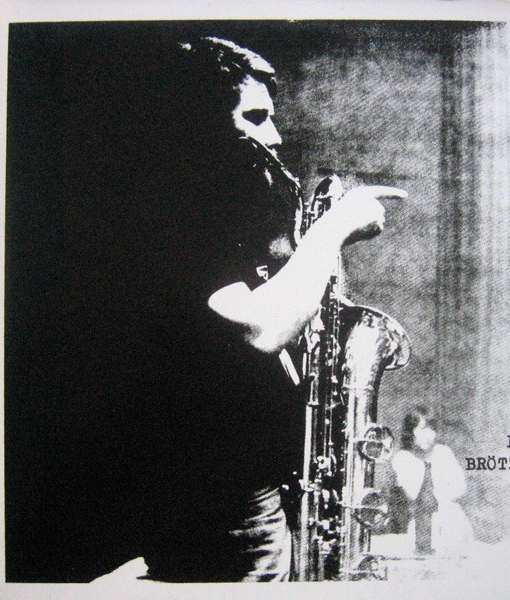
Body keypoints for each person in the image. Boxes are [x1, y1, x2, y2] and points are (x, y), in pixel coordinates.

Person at [118, 36, 408, 583]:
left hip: (247, 491)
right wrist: (332, 230)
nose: (273, 137)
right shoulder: (177, 212)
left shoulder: (197, 208)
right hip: (224, 503)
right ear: (198, 127)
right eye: (254, 118)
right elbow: (259, 329)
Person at [391, 405, 473, 556]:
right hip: (417, 526)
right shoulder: (402, 458)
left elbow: (461, 487)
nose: (429, 435)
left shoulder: (443, 452)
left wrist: (442, 496)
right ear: (410, 431)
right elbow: (412, 494)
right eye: (423, 429)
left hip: (450, 520)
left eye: (432, 429)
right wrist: (427, 469)